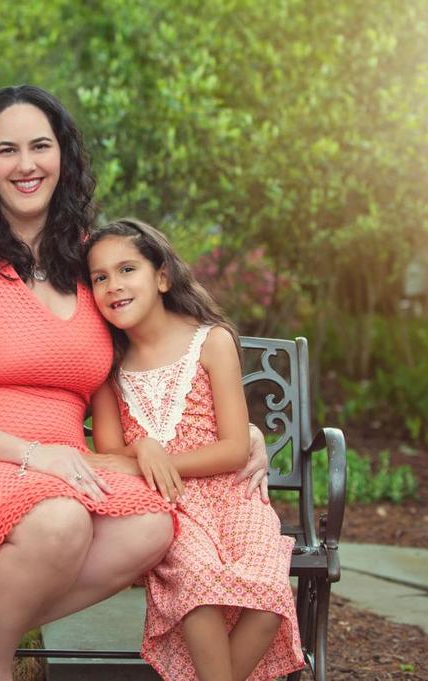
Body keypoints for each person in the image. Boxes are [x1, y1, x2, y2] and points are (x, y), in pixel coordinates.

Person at [0, 86, 182, 681]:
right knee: (60, 520)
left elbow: (164, 349)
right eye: (7, 150)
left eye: (40, 146)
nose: (26, 165)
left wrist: (246, 433)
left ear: (63, 155)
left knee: (151, 525)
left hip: (64, 469)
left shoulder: (89, 261)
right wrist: (30, 454)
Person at [85, 218, 304, 681]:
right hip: (168, 505)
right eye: (99, 277)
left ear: (162, 277)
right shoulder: (108, 365)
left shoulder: (211, 340)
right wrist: (143, 449)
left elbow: (234, 448)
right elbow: (110, 454)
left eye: (127, 269)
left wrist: (161, 459)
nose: (113, 285)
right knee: (198, 585)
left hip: (234, 496)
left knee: (268, 597)